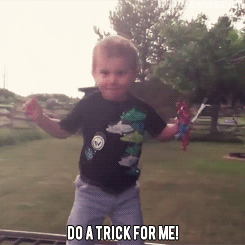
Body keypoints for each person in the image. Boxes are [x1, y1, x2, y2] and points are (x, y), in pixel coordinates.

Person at [25, 35, 179, 245]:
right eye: (104, 72)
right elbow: (62, 130)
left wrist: (179, 128)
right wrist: (41, 119)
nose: (112, 79)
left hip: (127, 195)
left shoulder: (142, 109)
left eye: (121, 73)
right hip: (90, 193)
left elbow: (162, 133)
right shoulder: (88, 105)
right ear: (94, 74)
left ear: (134, 74)